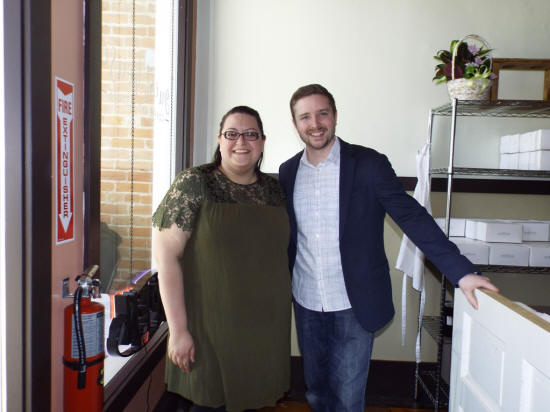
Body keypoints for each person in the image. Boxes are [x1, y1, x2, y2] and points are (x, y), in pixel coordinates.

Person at [278, 84, 499, 412]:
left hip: (353, 304)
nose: (315, 123)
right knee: (317, 393)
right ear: (295, 124)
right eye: (305, 117)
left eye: (322, 113)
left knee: (348, 399)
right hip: (307, 301)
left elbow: (412, 217)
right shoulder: (288, 172)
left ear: (335, 116)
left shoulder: (368, 164)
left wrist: (461, 272)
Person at [152, 106, 291, 412]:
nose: (241, 141)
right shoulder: (194, 182)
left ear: (262, 141)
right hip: (209, 327)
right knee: (209, 403)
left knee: (252, 401)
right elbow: (166, 257)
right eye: (232, 134)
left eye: (251, 134)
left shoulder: (274, 191)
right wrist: (178, 331)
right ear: (220, 140)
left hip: (264, 328)